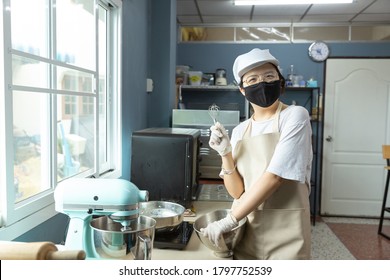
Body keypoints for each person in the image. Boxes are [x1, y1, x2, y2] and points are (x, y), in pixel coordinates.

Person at [201, 48, 313, 260]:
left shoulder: (295, 116)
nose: (262, 83)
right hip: (247, 227)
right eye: (252, 79)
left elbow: (275, 176)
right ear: (242, 89)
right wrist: (225, 153)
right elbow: (236, 192)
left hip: (286, 231)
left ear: (280, 82)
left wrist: (228, 220)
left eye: (269, 76)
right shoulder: (240, 130)